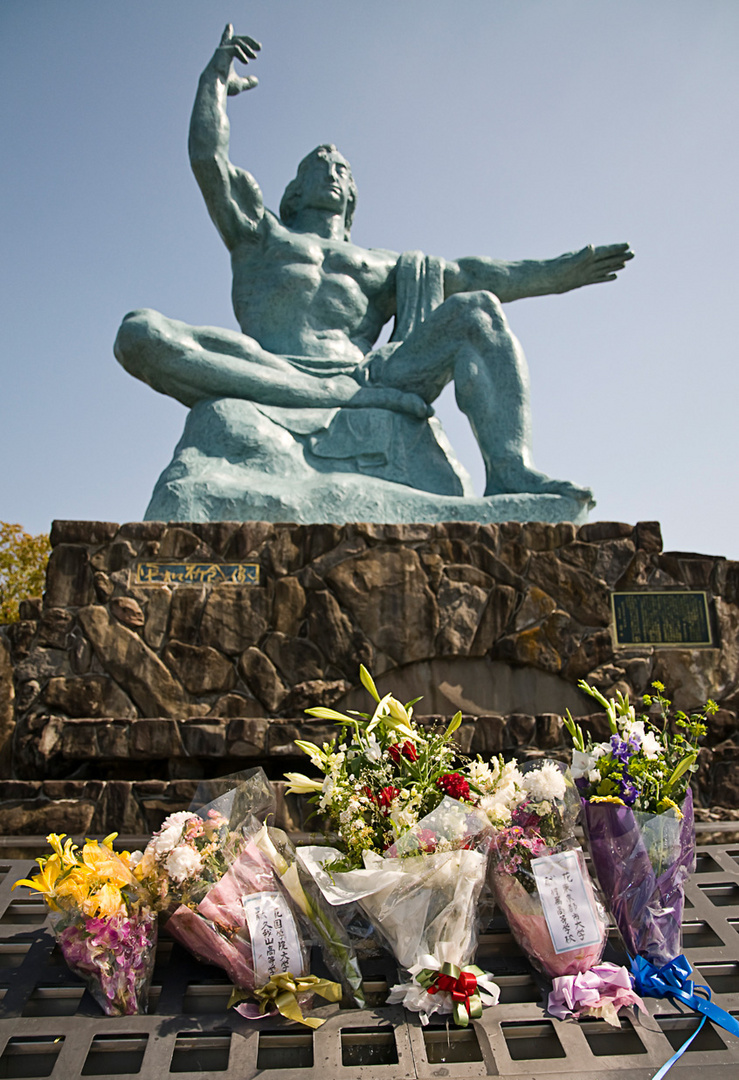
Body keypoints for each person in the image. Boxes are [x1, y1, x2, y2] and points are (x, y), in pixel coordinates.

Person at [115, 26, 633, 503]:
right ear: (292, 193)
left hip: (368, 374)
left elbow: (480, 275)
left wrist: (559, 273)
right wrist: (212, 83)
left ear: (354, 195)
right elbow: (210, 161)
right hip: (269, 365)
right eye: (317, 168)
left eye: (341, 168)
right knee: (139, 332)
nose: (332, 171)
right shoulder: (260, 235)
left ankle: (511, 469)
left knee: (477, 310)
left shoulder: (385, 265)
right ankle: (318, 393)